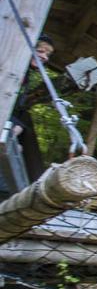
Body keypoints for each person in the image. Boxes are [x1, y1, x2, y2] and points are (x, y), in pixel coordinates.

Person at [8, 34, 56, 182]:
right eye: (41, 51)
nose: (45, 57)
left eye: (47, 54)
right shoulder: (9, 64)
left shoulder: (25, 75)